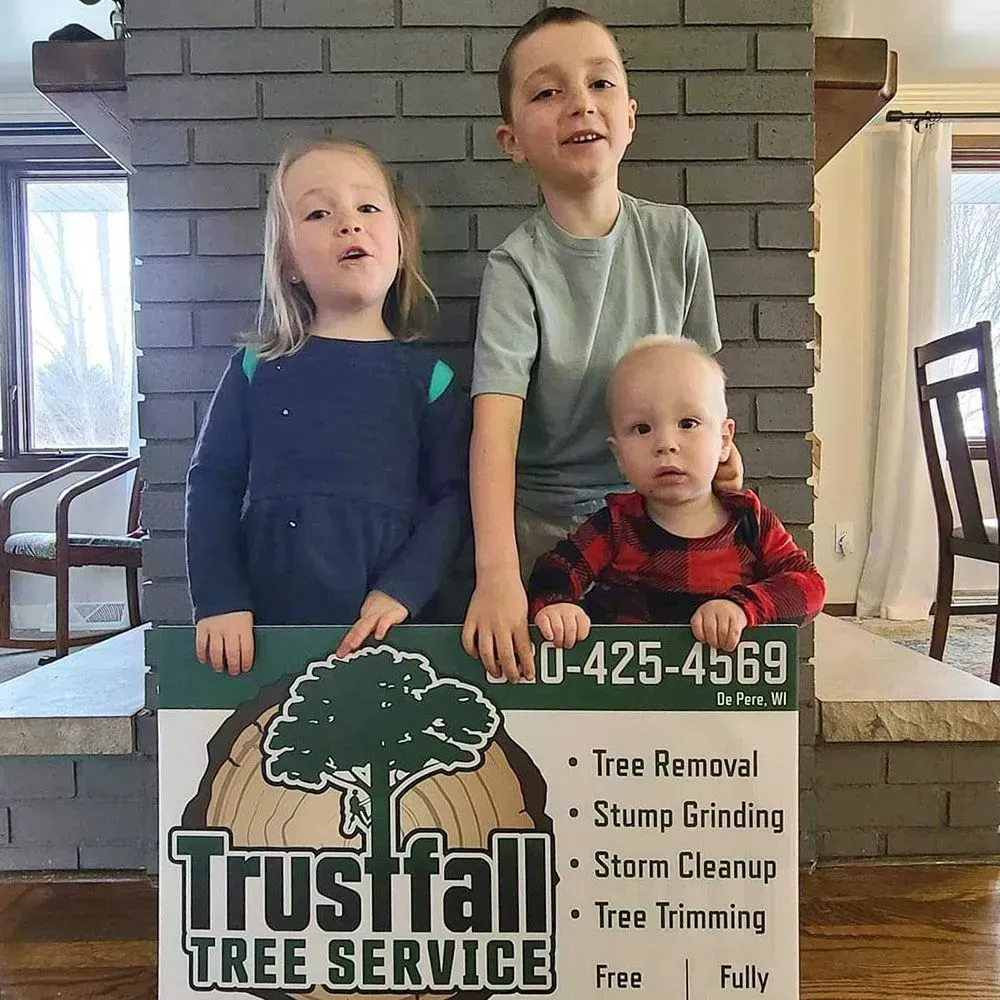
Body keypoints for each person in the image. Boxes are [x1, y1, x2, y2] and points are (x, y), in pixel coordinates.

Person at [461, 6, 743, 683]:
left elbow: (702, 383)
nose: (579, 104)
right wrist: (497, 575)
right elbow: (493, 432)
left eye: (600, 83)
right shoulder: (515, 268)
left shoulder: (677, 238)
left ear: (631, 115)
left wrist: (725, 463)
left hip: (661, 515)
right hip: (548, 532)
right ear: (512, 140)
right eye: (547, 91)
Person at [185, 138, 469, 675]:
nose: (349, 224)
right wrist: (219, 598)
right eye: (319, 212)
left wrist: (402, 590)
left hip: (393, 629)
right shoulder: (254, 368)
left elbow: (453, 500)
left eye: (368, 207)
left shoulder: (431, 381)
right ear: (288, 262)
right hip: (265, 635)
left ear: (401, 244)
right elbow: (212, 483)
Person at [527, 336, 826, 651]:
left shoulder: (749, 520)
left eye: (688, 423)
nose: (666, 444)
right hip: (630, 694)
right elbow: (557, 567)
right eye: (642, 429)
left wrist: (742, 606)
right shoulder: (618, 523)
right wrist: (557, 605)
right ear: (618, 456)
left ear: (724, 440)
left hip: (720, 694)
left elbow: (809, 587)